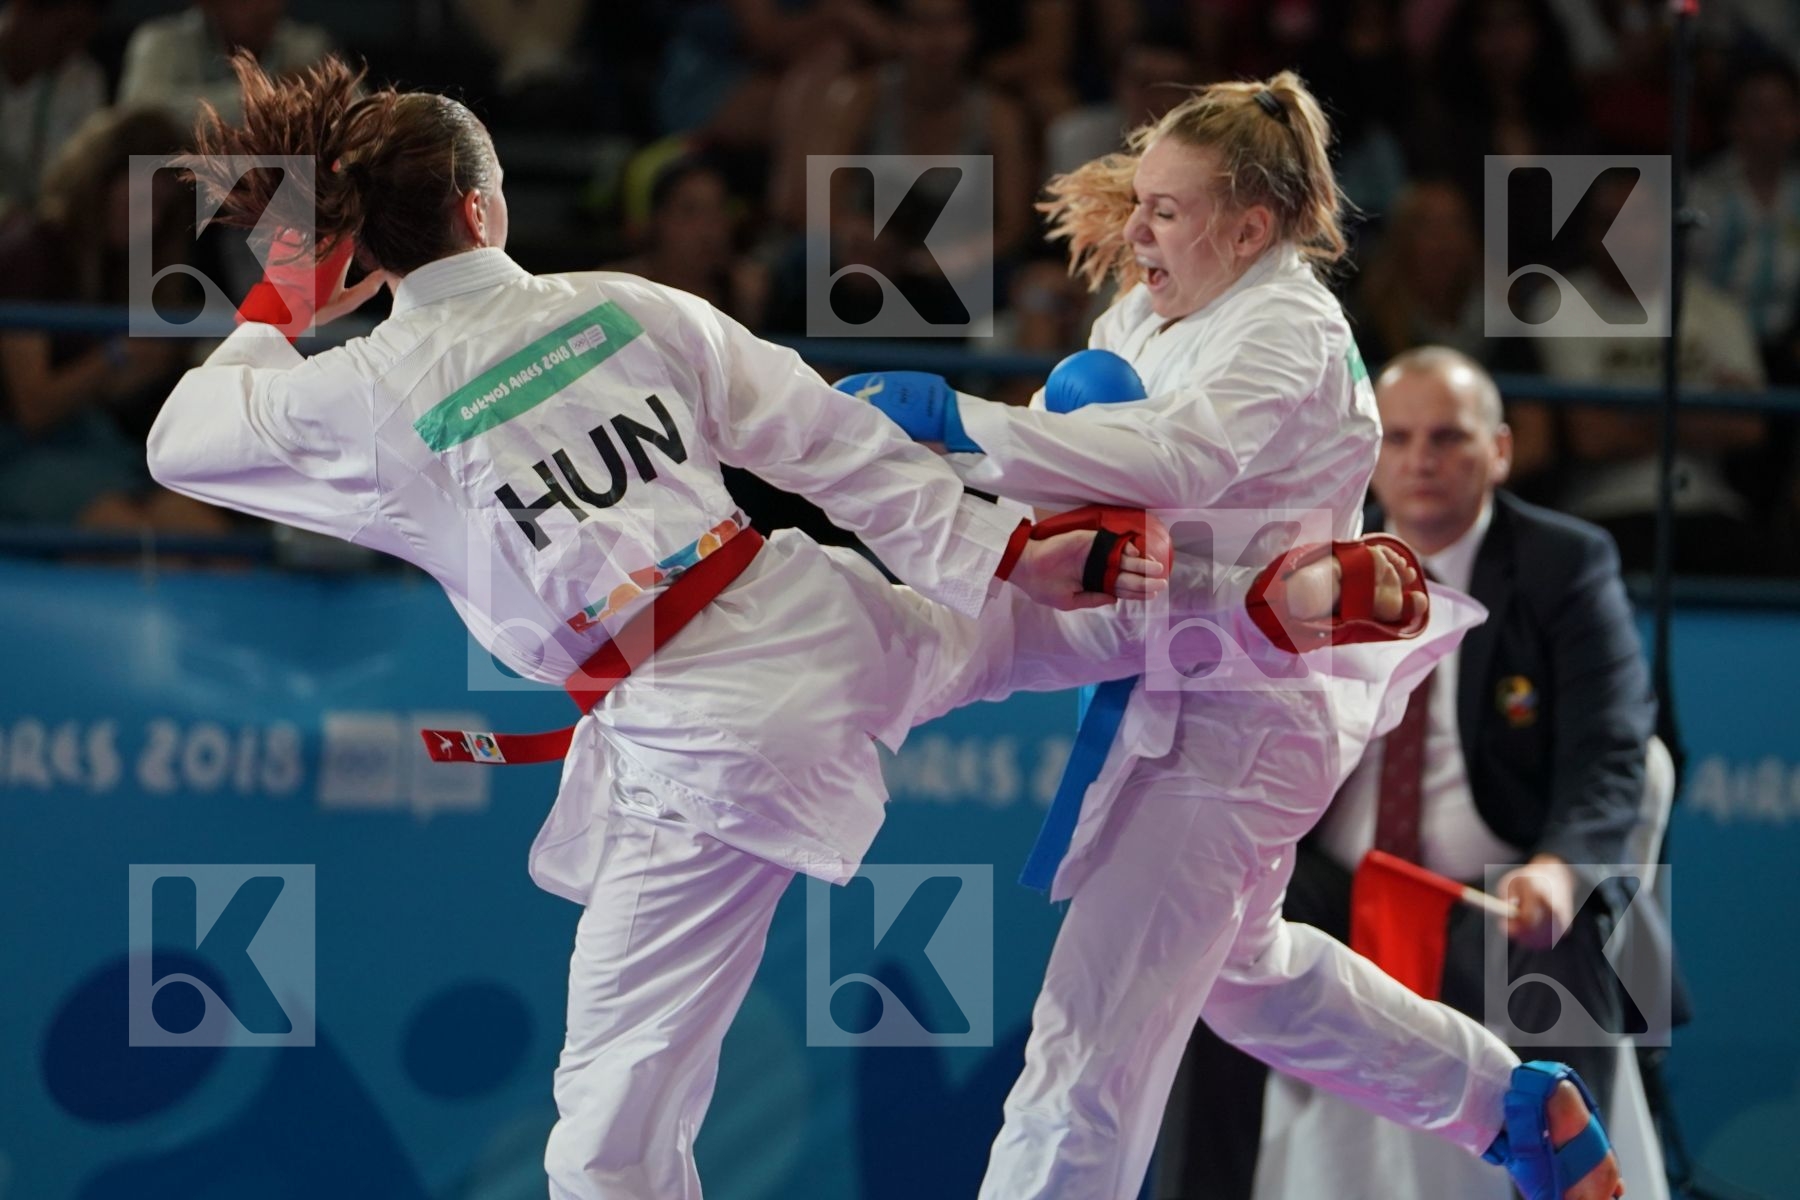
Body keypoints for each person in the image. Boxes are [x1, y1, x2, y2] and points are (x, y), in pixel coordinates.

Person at [143, 53, 1435, 1200]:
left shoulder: (360, 395)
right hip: (806, 615)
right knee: (995, 633)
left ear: (373, 242)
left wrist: (285, 298)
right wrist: (1001, 546)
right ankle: (1244, 599)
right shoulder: (626, 305)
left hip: (699, 733)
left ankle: (1208, 595)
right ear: (486, 209)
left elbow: (177, 441)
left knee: (605, 1134)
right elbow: (828, 441)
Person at [842, 73, 1626, 1200]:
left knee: (1087, 1041)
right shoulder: (1142, 315)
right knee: (1248, 977)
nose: (1137, 231)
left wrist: (959, 421)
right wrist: (954, 479)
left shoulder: (1289, 327)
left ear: (1251, 228)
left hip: (1246, 717)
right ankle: (1509, 1104)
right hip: (1169, 662)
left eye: (1167, 210)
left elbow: (1175, 461)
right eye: (1140, 202)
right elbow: (1081, 476)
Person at [1158, 346, 1664, 1200]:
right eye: (1397, 438)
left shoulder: (1564, 565)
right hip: (1331, 886)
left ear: (1499, 450)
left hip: (1492, 893)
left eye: (1448, 438)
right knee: (1207, 944)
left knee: (1559, 950)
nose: (1420, 460)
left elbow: (1612, 754)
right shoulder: (1312, 560)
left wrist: (1559, 869)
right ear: (1368, 450)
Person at [0, 106, 227, 533]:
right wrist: (118, 355)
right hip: (18, 451)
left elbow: (103, 393)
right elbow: (33, 408)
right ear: (101, 181)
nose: (150, 219)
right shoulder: (30, 252)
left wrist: (162, 365)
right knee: (131, 537)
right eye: (143, 199)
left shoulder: (112, 264)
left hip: (91, 442)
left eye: (160, 207)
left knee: (205, 535)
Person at [118, 0, 332, 125]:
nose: (260, 6)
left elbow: (348, 120)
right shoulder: (161, 42)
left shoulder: (307, 47)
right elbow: (138, 118)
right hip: (175, 179)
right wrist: (268, 95)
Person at [0, 0, 106, 216]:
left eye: (82, 38)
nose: (71, 49)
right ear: (22, 9)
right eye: (66, 34)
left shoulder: (83, 78)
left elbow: (79, 182)